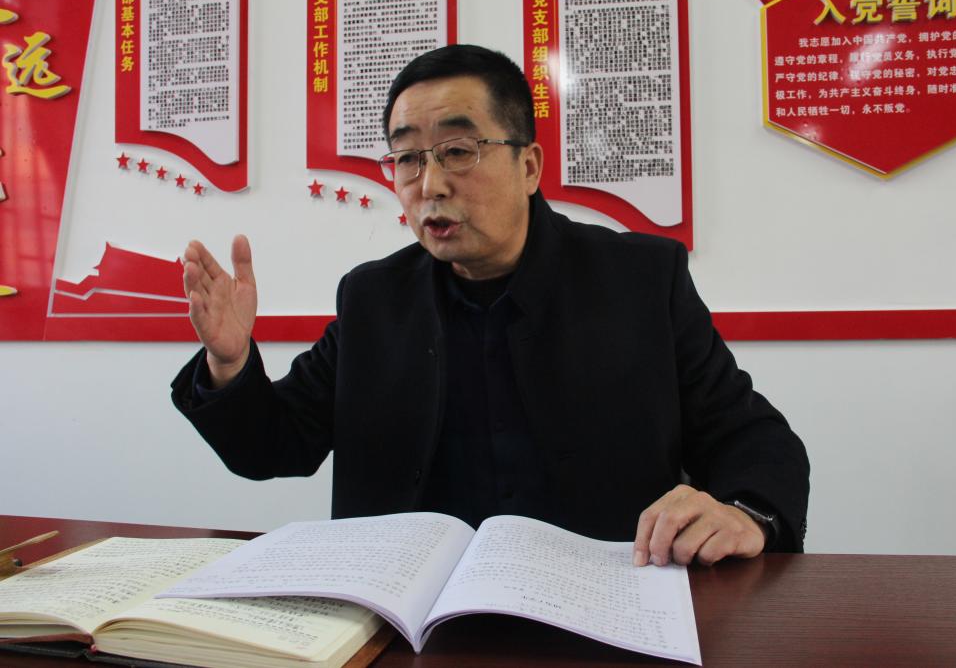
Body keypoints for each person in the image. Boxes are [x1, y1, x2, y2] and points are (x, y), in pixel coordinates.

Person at [172, 44, 809, 567]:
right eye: (407, 159)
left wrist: (745, 513)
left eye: (458, 151)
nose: (430, 184)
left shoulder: (640, 279)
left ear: (528, 166)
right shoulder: (374, 298)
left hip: (600, 607)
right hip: (407, 617)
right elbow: (274, 446)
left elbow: (752, 437)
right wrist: (229, 363)